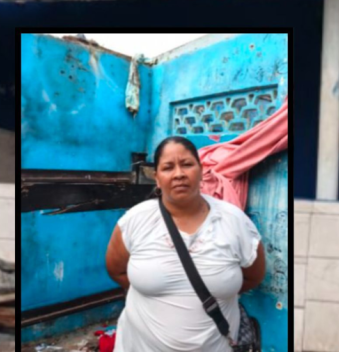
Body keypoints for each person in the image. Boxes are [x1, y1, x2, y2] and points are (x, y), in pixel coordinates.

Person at [105, 136, 266, 351]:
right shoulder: (135, 221)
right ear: (157, 178)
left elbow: (253, 276)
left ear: (201, 171)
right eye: (168, 167)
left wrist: (219, 289)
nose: (179, 174)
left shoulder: (234, 222)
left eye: (187, 164)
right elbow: (116, 270)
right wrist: (152, 289)